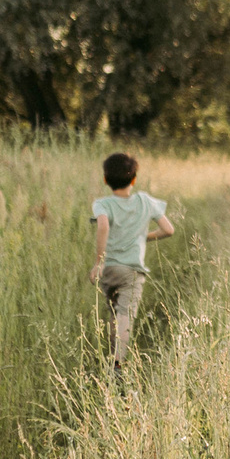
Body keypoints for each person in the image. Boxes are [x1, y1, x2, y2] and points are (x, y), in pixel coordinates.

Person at [90, 151, 174, 373]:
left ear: (106, 179)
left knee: (114, 314)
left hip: (109, 269)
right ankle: (117, 364)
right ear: (134, 178)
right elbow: (168, 229)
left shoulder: (102, 204)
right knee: (125, 314)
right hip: (132, 271)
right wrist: (145, 236)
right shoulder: (145, 201)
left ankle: (112, 356)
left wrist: (99, 262)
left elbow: (103, 226)